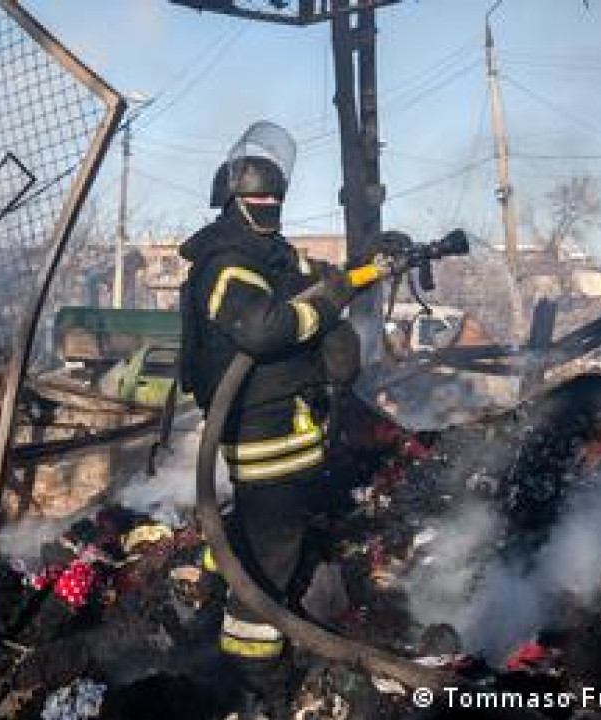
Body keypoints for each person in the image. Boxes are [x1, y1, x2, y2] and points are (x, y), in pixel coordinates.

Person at [178, 122, 374, 717]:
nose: (269, 206)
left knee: (264, 534)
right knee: (271, 558)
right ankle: (259, 676)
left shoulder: (270, 254)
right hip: (263, 432)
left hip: (287, 422)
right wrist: (326, 309)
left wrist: (369, 265)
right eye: (258, 199)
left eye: (274, 199)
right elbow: (262, 328)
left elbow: (312, 283)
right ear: (233, 200)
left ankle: (214, 582)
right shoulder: (226, 263)